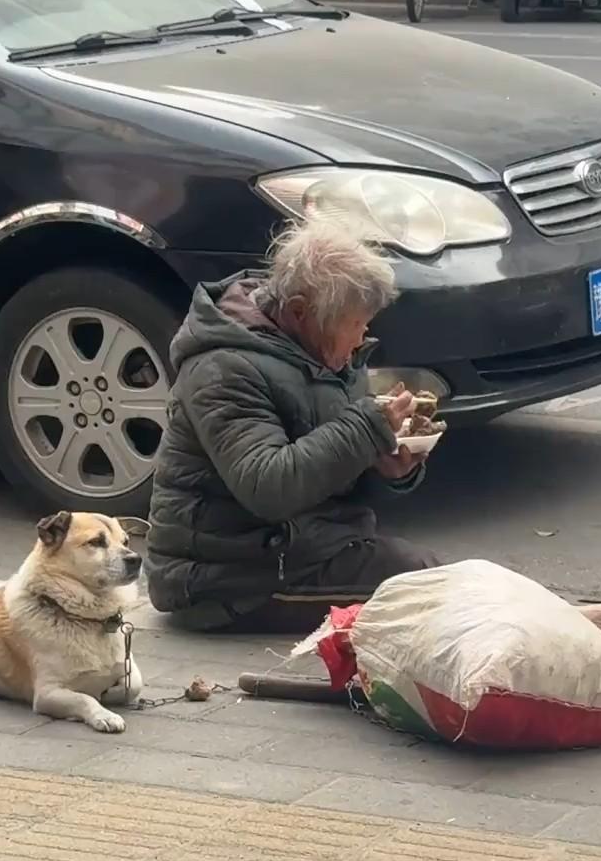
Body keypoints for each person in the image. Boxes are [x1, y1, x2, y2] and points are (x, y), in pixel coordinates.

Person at [146, 220, 439, 632]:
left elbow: (331, 467)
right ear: (300, 311)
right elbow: (269, 486)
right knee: (429, 590)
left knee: (439, 581)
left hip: (306, 546)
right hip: (230, 577)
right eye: (354, 324)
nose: (362, 338)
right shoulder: (224, 368)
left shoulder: (324, 350)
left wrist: (388, 468)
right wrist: (366, 428)